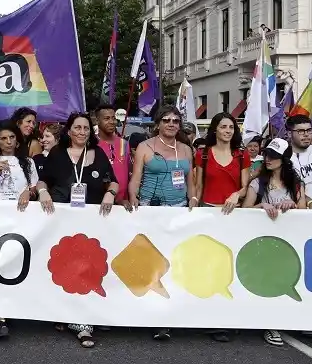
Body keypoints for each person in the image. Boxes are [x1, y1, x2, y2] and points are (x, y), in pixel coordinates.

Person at [35, 112, 118, 349]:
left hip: (90, 221)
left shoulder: (98, 154)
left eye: (85, 128)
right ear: (69, 131)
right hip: (61, 221)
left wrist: (110, 194)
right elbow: (43, 181)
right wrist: (42, 193)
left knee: (87, 267)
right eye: (77, 128)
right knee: (64, 267)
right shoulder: (58, 154)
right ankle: (65, 314)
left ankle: (83, 322)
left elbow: (112, 180)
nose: (82, 132)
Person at [128, 106, 194, 341]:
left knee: (173, 260)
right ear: (158, 124)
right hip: (150, 207)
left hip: (177, 209)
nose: (171, 124)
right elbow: (135, 177)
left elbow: (191, 180)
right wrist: (133, 197)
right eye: (166, 120)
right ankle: (148, 312)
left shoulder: (186, 149)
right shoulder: (145, 148)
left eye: (176, 120)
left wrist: (193, 199)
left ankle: (168, 315)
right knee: (151, 261)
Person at [243, 137, 308, 346]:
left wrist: (293, 204)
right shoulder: (258, 181)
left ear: (284, 159)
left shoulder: (296, 182)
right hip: (263, 242)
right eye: (267, 155)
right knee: (269, 280)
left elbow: (303, 208)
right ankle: (271, 324)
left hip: (289, 241)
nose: (268, 159)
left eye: (274, 156)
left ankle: (295, 319)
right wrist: (262, 206)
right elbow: (244, 209)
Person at [193, 112, 250, 343]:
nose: (228, 131)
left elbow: (245, 186)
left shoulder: (241, 155)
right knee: (211, 265)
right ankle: (212, 317)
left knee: (231, 265)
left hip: (232, 216)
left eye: (231, 127)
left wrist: (237, 194)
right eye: (223, 127)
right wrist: (195, 203)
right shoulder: (203, 154)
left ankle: (229, 316)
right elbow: (198, 184)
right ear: (215, 129)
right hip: (208, 213)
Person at [0, 121, 37, 341]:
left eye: (11, 137)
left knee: (18, 264)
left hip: (21, 219)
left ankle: (16, 307)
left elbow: (34, 186)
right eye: (3, 138)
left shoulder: (27, 162)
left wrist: (29, 193)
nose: (8, 142)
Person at [95, 104, 130, 206]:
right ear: (97, 121)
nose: (111, 122)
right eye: (106, 118)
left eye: (113, 118)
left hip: (122, 205)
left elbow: (129, 172)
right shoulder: (91, 144)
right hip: (98, 204)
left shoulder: (124, 143)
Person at [287, 114, 312, 188]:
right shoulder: (284, 160)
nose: (306, 134)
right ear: (289, 133)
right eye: (301, 131)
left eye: (309, 130)